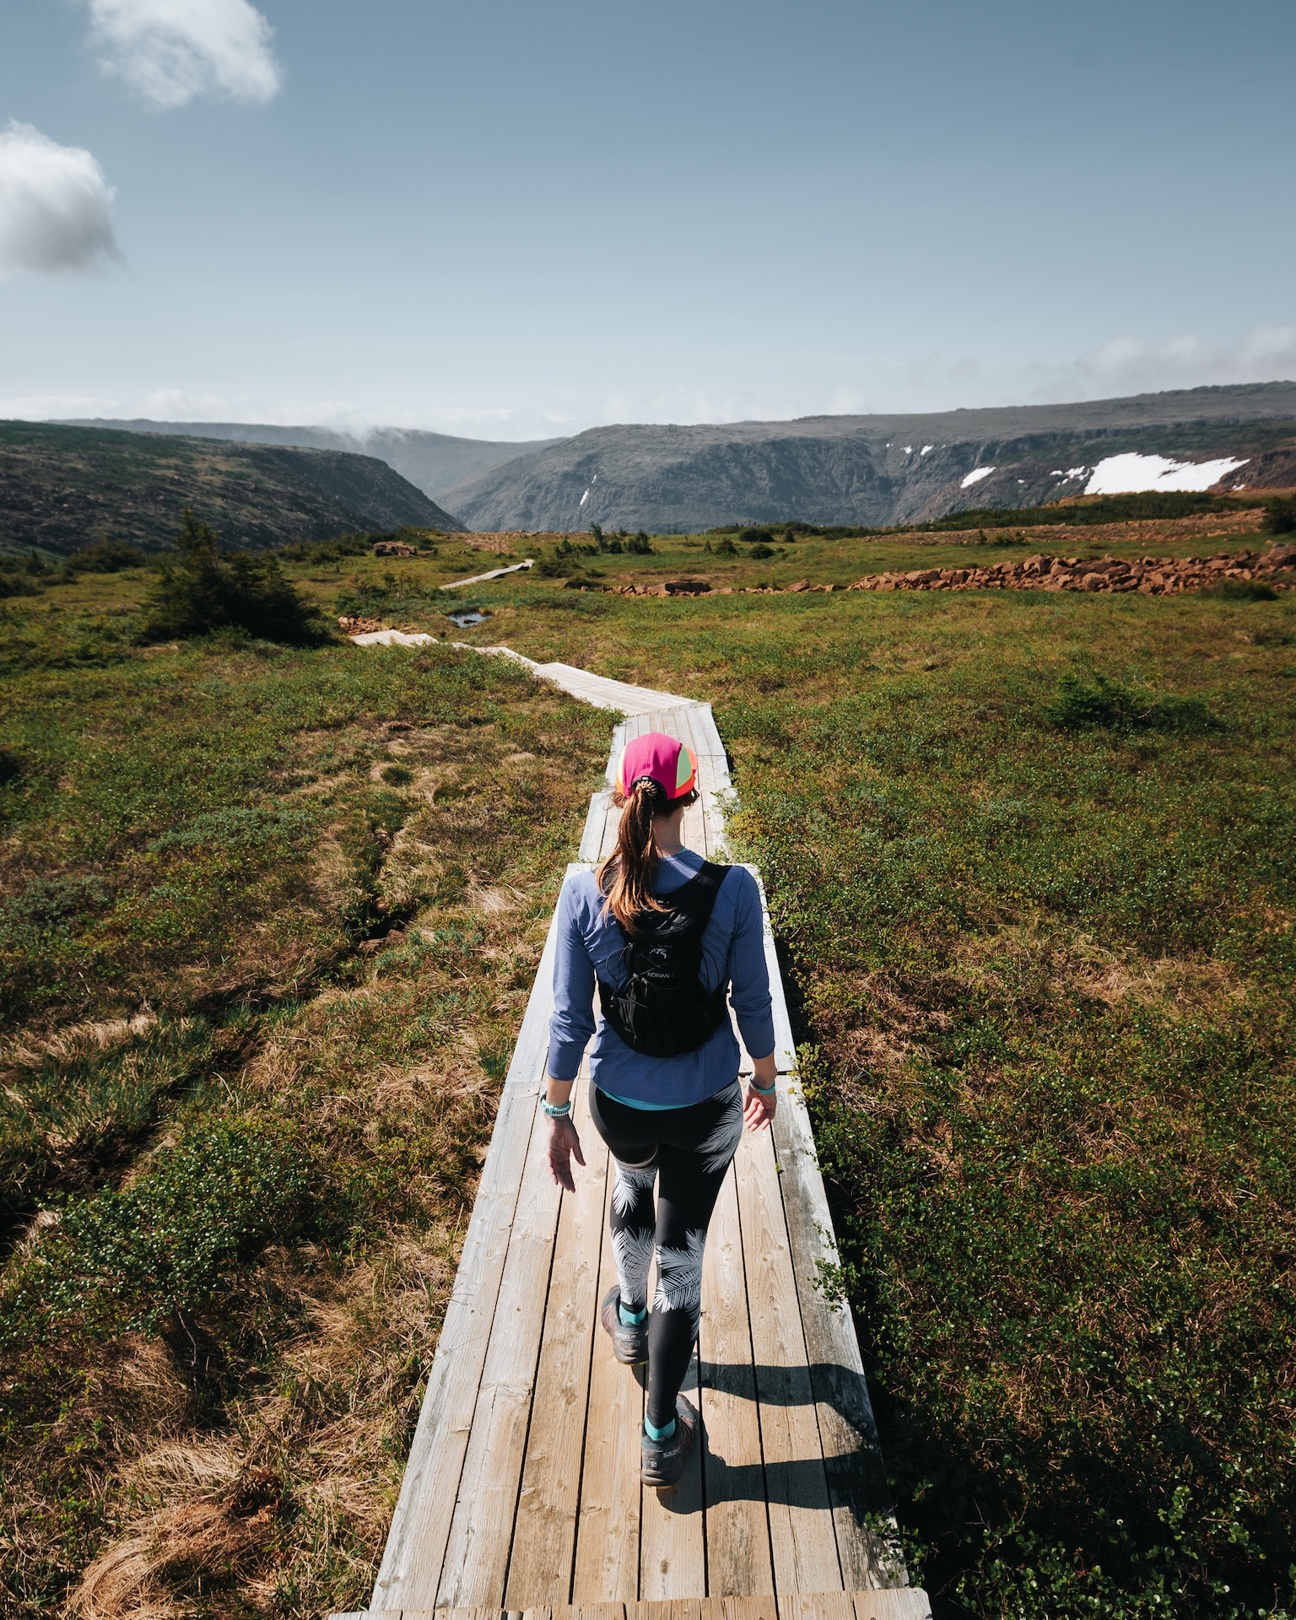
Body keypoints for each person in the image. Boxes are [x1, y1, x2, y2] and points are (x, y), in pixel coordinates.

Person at [543, 730, 777, 1488]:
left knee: (632, 1185)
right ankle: (659, 1430)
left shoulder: (585, 890)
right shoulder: (734, 887)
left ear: (621, 797)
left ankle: (630, 1323)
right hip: (706, 1107)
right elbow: (755, 1000)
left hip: (618, 1105)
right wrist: (765, 1083)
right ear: (691, 797)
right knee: (685, 1261)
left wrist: (555, 1111)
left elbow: (569, 1019)